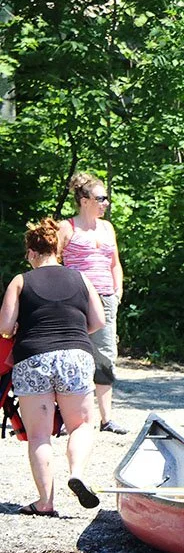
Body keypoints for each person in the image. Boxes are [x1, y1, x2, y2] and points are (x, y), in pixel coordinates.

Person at [0, 218, 107, 515]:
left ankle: (45, 502)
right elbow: (99, 321)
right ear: (56, 250)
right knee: (82, 425)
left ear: (33, 252)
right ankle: (77, 474)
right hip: (75, 356)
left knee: (38, 435)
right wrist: (71, 334)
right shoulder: (81, 279)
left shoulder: (20, 281)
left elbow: (5, 327)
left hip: (33, 358)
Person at [58, 172, 127, 434]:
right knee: (71, 355)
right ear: (84, 200)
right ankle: (67, 418)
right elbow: (52, 262)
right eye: (101, 198)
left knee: (105, 355)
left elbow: (115, 264)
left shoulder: (108, 228)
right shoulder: (67, 228)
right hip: (74, 299)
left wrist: (117, 292)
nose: (106, 203)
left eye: (107, 198)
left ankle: (106, 418)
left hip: (106, 298)